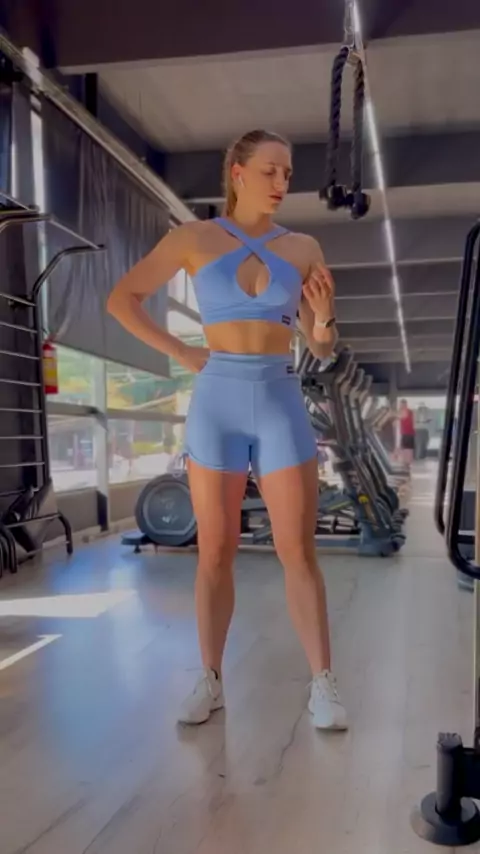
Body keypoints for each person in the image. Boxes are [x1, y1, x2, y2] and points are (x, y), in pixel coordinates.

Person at [107, 129, 347, 731]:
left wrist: (323, 319)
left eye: (287, 173)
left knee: (298, 551)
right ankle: (210, 680)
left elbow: (321, 347)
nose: (281, 183)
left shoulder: (303, 247)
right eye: (270, 170)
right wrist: (180, 352)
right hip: (217, 402)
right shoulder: (193, 238)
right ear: (237, 173)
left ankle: (323, 683)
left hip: (279, 397)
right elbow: (122, 299)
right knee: (215, 549)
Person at [397, 399, 415, 468]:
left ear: (405, 405)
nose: (401, 406)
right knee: (406, 448)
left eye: (402, 405)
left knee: (407, 449)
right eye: (401, 405)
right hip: (406, 433)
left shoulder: (405, 411)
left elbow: (401, 417)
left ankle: (407, 463)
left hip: (407, 433)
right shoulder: (408, 411)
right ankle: (406, 463)